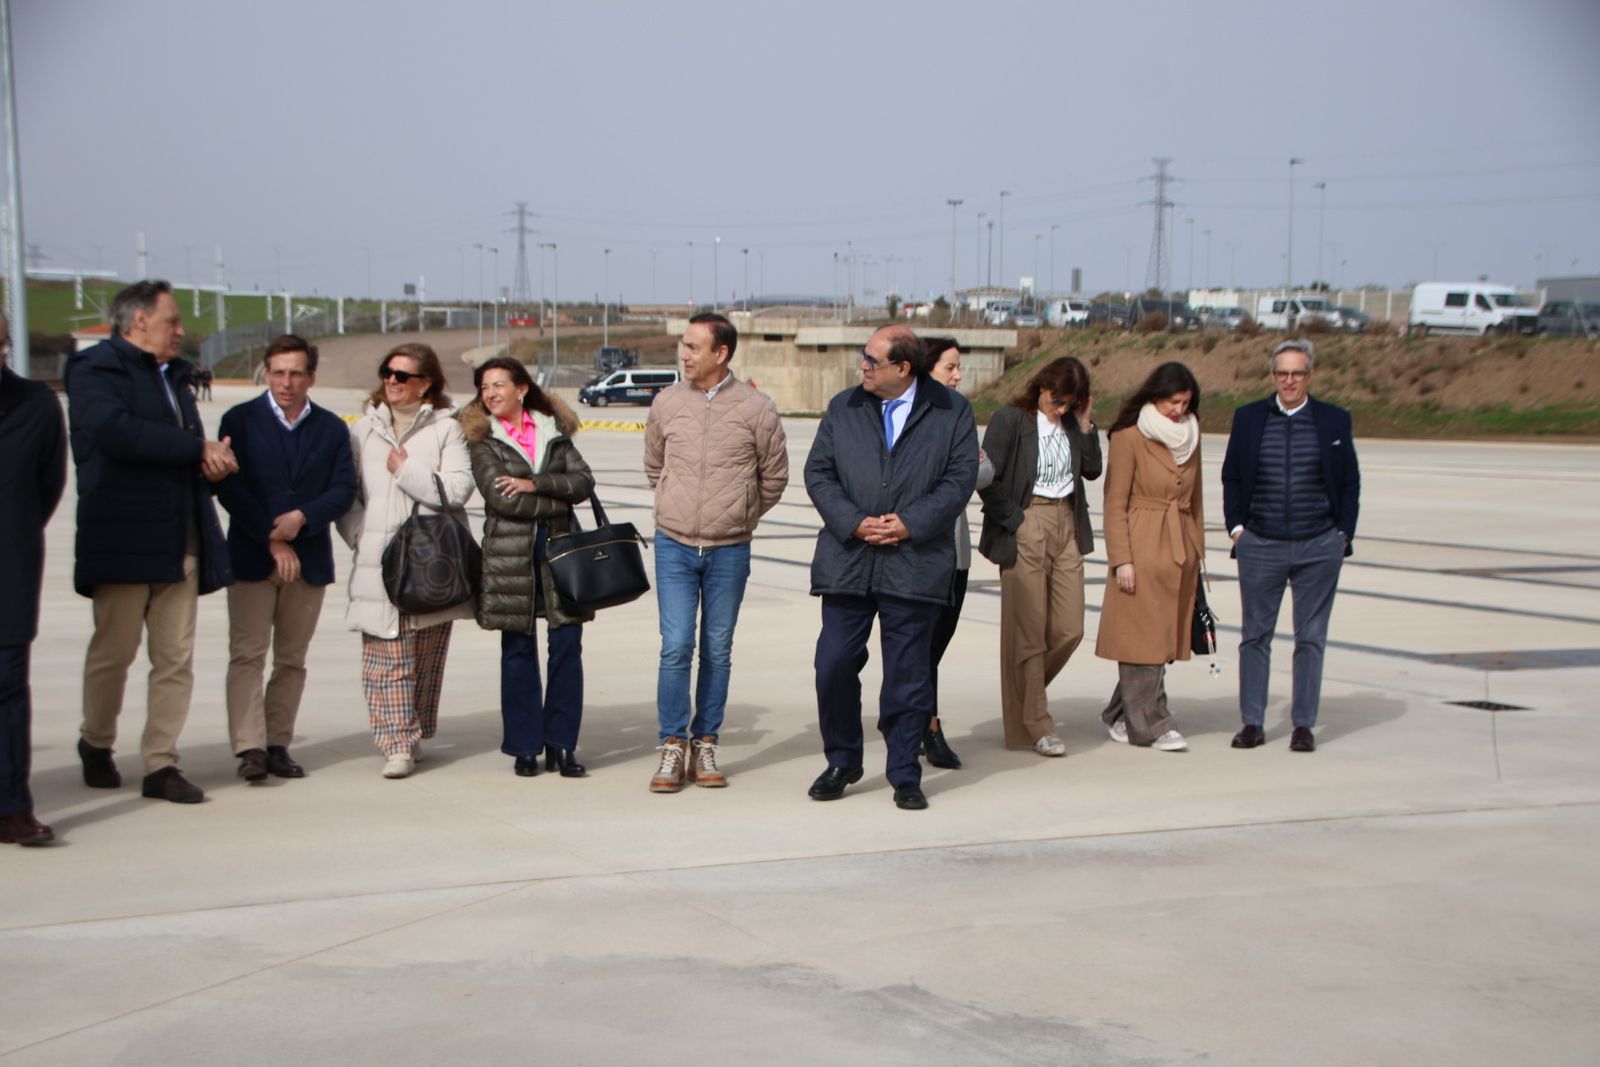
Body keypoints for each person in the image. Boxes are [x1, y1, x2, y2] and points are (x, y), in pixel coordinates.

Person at [65, 280, 235, 805]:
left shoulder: (175, 377)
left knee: (175, 659)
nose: (180, 331)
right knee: (113, 653)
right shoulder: (95, 369)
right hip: (122, 537)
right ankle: (97, 741)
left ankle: (161, 763)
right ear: (139, 321)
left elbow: (183, 449)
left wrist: (211, 465)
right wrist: (195, 448)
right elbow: (114, 432)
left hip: (180, 538)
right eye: (172, 321)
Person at [804, 325, 978, 810]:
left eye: (872, 360)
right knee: (833, 663)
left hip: (915, 563)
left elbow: (959, 479)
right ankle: (843, 759)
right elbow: (818, 471)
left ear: (903, 368)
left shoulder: (951, 411)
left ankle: (904, 773)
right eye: (864, 357)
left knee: (908, 674)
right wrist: (853, 522)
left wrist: (910, 524)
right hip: (848, 559)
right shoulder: (844, 407)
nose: (863, 366)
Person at [643, 312, 788, 793]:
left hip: (729, 551)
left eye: (693, 347)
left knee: (717, 650)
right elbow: (654, 465)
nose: (684, 354)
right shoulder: (666, 403)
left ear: (721, 353)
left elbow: (774, 477)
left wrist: (740, 514)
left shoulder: (757, 409)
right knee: (676, 646)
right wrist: (675, 505)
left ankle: (705, 742)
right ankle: (671, 744)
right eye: (683, 345)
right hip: (674, 545)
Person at [214, 335, 356, 782]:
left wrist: (301, 518)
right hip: (252, 558)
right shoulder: (239, 420)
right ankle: (249, 748)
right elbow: (230, 487)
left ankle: (277, 744)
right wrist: (272, 538)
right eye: (278, 372)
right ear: (266, 373)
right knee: (247, 655)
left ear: (311, 376)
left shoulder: (331, 428)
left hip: (308, 561)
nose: (286, 382)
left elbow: (343, 489)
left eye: (296, 373)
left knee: (291, 659)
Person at [338, 343, 474, 778]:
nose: (391, 381)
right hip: (378, 561)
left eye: (402, 375)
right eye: (387, 372)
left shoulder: (447, 429)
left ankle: (413, 732)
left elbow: (457, 489)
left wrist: (405, 470)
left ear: (425, 384)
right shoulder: (363, 431)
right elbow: (348, 496)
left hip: (431, 558)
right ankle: (395, 743)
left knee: (425, 657)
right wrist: (359, 535)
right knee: (385, 658)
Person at [1221, 339, 1360, 753]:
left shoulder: (1334, 420)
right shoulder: (1249, 418)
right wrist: (1237, 530)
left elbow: (1350, 482)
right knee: (1255, 636)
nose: (1289, 381)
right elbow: (1232, 476)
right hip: (1261, 544)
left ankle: (1303, 725)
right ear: (1273, 376)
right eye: (1282, 373)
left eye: (1297, 373)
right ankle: (1252, 722)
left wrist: (1342, 535)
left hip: (1318, 545)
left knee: (1311, 637)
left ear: (1310, 375)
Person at [459, 356, 594, 778]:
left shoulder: (554, 430)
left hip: (560, 551)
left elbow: (583, 482)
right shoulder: (482, 438)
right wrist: (556, 499)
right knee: (517, 649)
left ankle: (562, 744)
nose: (490, 394)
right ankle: (524, 746)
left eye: (498, 385)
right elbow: (501, 498)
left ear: (521, 389)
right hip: (509, 554)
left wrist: (535, 483)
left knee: (567, 646)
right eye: (484, 387)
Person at [977, 357, 1101, 757]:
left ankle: (1022, 698)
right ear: (1042, 386)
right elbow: (985, 478)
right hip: (1028, 519)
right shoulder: (1011, 420)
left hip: (1068, 522)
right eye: (1056, 400)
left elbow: (1093, 470)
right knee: (1029, 629)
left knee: (1070, 628)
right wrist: (1017, 521)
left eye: (1069, 403)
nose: (1060, 409)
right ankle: (1037, 722)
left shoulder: (1072, 423)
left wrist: (1085, 424)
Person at [1095, 361, 1205, 752]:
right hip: (1141, 544)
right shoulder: (1129, 436)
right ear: (1155, 396)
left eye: (1185, 402)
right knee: (1142, 639)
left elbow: (1196, 498)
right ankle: (1153, 724)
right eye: (1173, 401)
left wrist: (1197, 550)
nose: (1179, 410)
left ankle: (1119, 714)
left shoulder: (1191, 435)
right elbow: (1115, 502)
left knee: (1161, 640)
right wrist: (1121, 559)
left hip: (1178, 547)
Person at [0, 315, 67, 844]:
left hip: (10, 568)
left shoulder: (36, 405)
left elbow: (48, 488)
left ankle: (12, 807)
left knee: (7, 687)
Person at [919, 337, 993, 769]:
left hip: (956, 550)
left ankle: (913, 717)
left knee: (936, 645)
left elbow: (985, 469)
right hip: (916, 552)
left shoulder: (959, 412)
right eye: (950, 367)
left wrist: (957, 467)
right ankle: (927, 726)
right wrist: (957, 466)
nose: (958, 375)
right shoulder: (908, 414)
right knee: (921, 646)